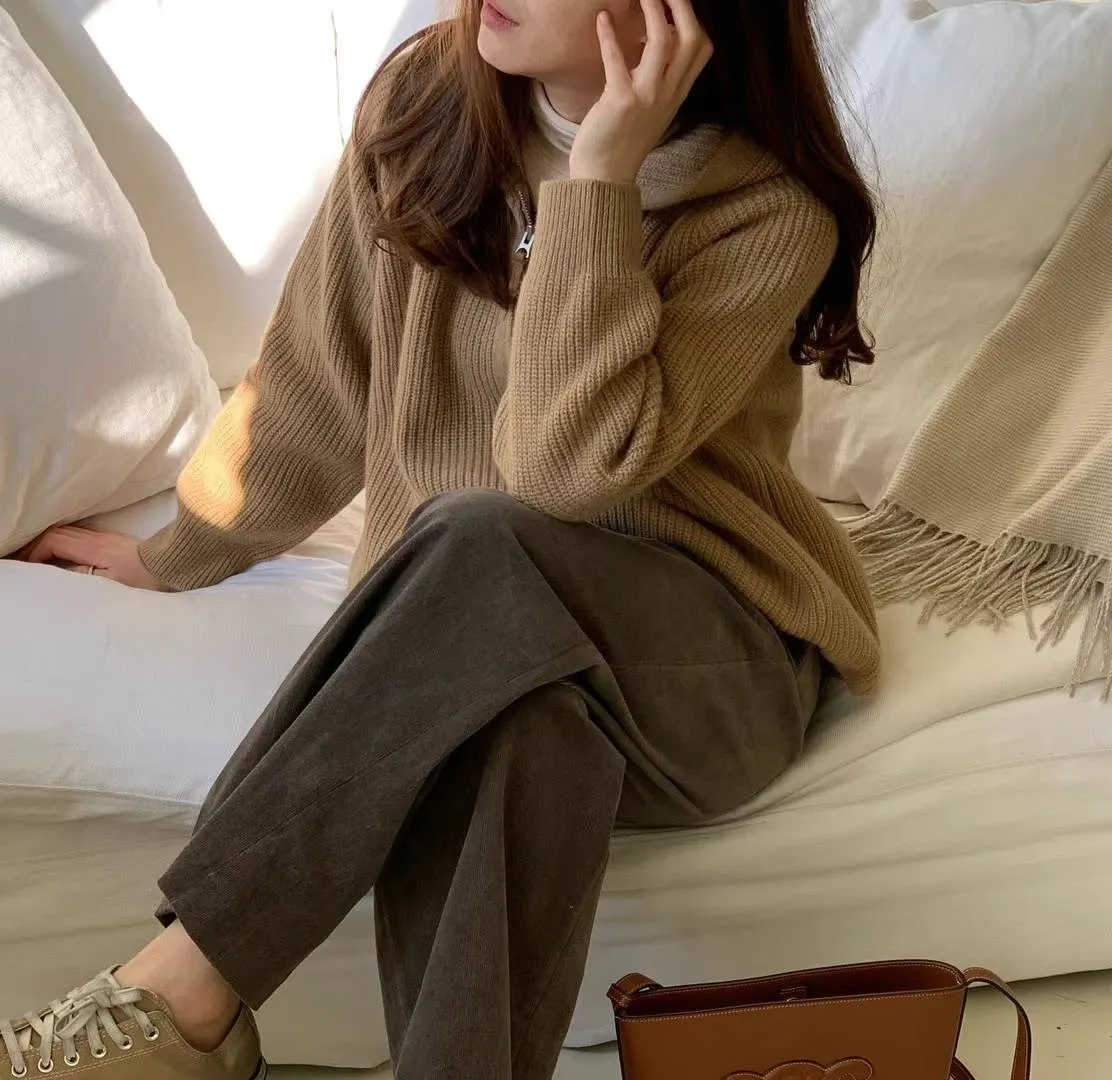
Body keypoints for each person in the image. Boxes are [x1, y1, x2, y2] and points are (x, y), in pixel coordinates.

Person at [6, 0, 881, 1076]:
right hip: (485, 645)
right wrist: (174, 551)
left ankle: (184, 990)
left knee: (482, 538)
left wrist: (597, 185)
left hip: (705, 672)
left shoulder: (766, 213)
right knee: (517, 726)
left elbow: (562, 474)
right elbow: (317, 380)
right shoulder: (425, 103)